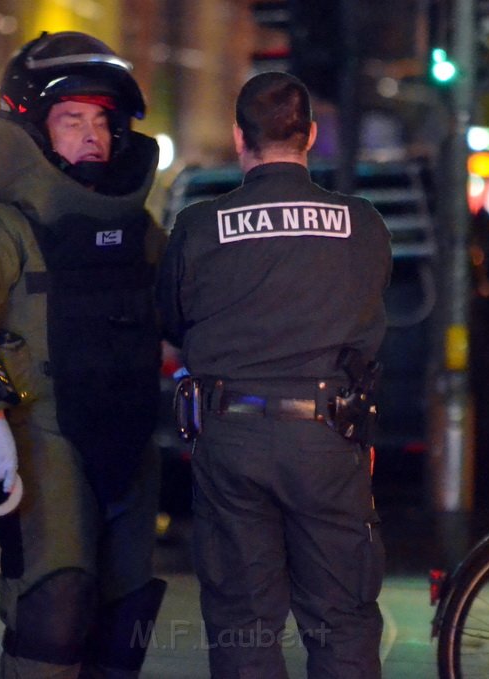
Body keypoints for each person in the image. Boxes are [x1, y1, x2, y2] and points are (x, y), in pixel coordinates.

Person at [0, 31, 167, 679]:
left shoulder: (140, 230)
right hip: (44, 437)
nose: (92, 134)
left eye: (101, 121)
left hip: (131, 439)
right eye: (71, 120)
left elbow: (183, 309)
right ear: (32, 129)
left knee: (127, 615)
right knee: (54, 606)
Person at [157, 71, 392, 678]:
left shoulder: (199, 227)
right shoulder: (361, 224)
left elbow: (173, 321)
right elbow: (368, 333)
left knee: (242, 623)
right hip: (326, 439)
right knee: (341, 620)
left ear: (240, 139)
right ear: (310, 135)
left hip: (229, 438)